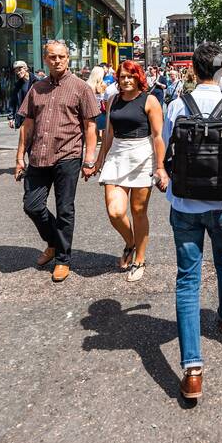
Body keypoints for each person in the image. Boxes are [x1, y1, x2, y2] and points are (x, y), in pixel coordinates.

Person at [163, 42, 222, 401]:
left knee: (187, 279)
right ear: (221, 71)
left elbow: (167, 147)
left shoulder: (176, 105)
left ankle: (192, 369)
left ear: (195, 69)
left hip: (185, 203)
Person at [16, 40, 101, 281]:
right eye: (53, 57)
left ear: (68, 58)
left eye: (62, 56)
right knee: (32, 205)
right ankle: (53, 242)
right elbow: (28, 123)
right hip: (39, 155)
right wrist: (19, 156)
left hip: (68, 155)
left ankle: (63, 259)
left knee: (65, 209)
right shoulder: (36, 88)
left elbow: (90, 125)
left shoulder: (81, 87)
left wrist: (89, 159)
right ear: (46, 59)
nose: (57, 60)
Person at [91, 60, 166, 281]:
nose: (126, 80)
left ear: (138, 77)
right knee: (115, 211)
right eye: (122, 76)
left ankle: (139, 259)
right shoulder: (113, 99)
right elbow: (108, 134)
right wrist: (98, 161)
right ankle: (130, 242)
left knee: (138, 211)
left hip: (142, 155)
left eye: (130, 76)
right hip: (117, 155)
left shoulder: (150, 100)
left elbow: (158, 136)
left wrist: (160, 167)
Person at [8, 60, 36, 130]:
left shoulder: (37, 81)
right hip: (23, 117)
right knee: (24, 140)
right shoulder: (17, 85)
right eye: (16, 71)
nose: (18, 72)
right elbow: (13, 101)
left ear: (26, 68)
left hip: (36, 116)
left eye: (20, 69)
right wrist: (11, 117)